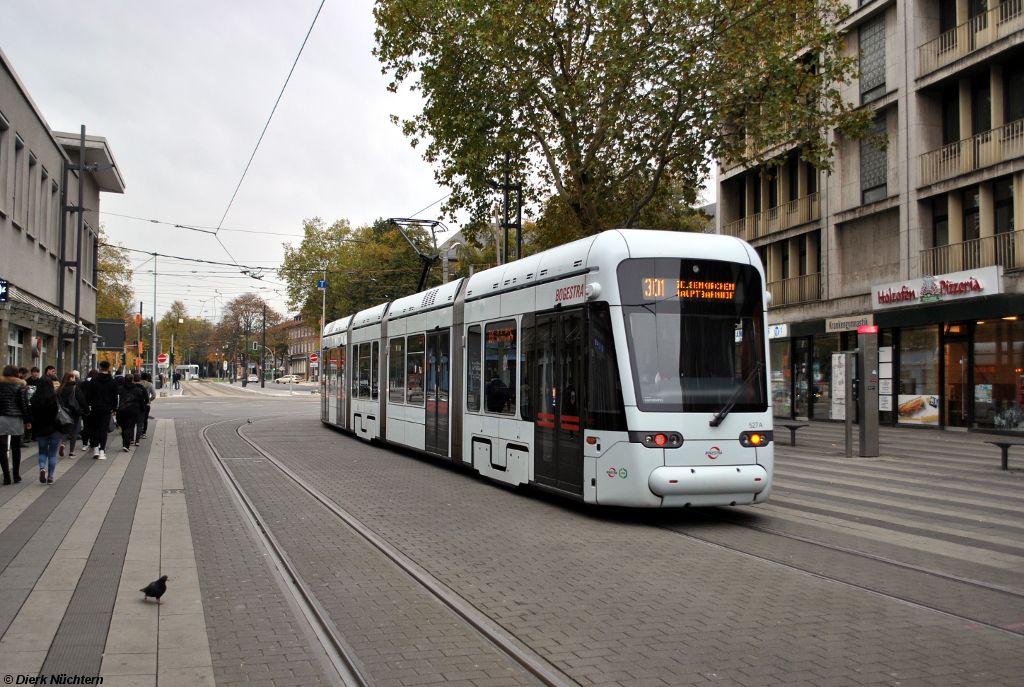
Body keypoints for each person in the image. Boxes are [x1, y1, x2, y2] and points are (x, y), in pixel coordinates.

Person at [0, 365, 33, 485]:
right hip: (15, 418)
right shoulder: (20, 385)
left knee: (2, 448)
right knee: (16, 447)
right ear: (16, 373)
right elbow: (24, 404)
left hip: (1, 417)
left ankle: (6, 476)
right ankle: (16, 475)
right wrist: (28, 421)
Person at [81, 360, 118, 459]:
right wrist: (114, 408)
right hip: (106, 408)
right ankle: (102, 450)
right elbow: (115, 396)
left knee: (94, 428)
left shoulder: (93, 380)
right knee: (103, 429)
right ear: (109, 368)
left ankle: (95, 448)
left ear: (100, 368)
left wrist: (89, 405)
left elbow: (88, 395)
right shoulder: (112, 382)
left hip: (95, 407)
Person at [31, 374, 62, 484]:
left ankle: (42, 467)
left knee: (42, 452)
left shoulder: (34, 398)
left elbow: (32, 414)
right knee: (52, 453)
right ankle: (50, 477)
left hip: (41, 428)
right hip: (54, 428)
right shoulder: (55, 397)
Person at [58, 372, 88, 457]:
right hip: (74, 411)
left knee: (66, 429)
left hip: (64, 412)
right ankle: (71, 452)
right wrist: (87, 410)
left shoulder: (61, 388)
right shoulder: (75, 387)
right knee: (74, 431)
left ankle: (63, 443)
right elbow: (82, 399)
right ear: (71, 378)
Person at [116, 376, 146, 452]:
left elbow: (115, 399)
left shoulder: (120, 389)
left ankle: (125, 443)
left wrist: (114, 409)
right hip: (133, 411)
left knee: (123, 427)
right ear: (132, 380)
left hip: (121, 410)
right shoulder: (136, 390)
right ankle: (126, 444)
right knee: (129, 427)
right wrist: (142, 409)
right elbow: (141, 400)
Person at [137, 372, 156, 439]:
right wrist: (149, 400)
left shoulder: (138, 384)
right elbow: (154, 395)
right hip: (146, 403)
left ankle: (138, 432)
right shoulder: (150, 385)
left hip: (138, 403)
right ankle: (144, 432)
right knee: (145, 418)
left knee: (138, 419)